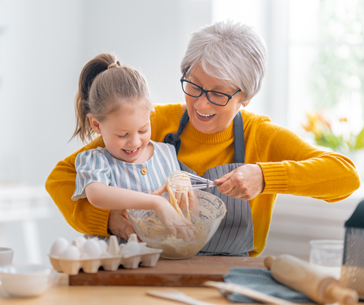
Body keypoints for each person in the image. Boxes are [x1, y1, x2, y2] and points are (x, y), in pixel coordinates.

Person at [46, 20, 360, 257]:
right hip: (151, 266)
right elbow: (60, 179)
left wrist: (265, 176)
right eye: (193, 86)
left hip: (231, 277)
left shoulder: (261, 137)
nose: (201, 104)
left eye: (218, 94)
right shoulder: (154, 123)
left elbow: (345, 176)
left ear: (246, 97)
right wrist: (109, 220)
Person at [68, 53, 196, 242]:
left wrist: (182, 180)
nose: (135, 142)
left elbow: (186, 202)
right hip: (112, 265)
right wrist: (156, 203)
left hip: (161, 263)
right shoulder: (94, 160)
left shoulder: (167, 153)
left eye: (143, 130)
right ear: (96, 125)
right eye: (123, 135)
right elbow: (97, 195)